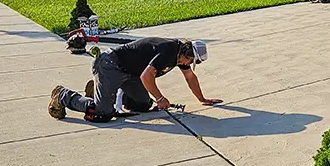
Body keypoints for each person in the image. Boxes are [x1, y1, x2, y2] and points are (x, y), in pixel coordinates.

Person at [48, 37, 222, 122]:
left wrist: (202, 99)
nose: (189, 65)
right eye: (191, 61)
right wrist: (161, 99)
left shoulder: (179, 57)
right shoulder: (169, 51)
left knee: (142, 106)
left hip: (130, 74)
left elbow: (190, 77)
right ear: (187, 54)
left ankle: (102, 93)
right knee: (103, 114)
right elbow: (147, 77)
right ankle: (63, 95)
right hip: (110, 66)